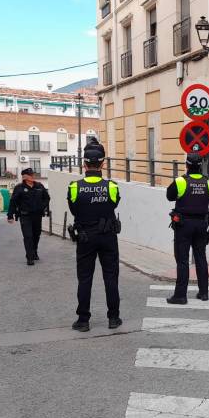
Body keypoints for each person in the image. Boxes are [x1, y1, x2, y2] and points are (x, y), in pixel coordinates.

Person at [67, 138, 122, 332]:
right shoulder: (112, 187)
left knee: (85, 279)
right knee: (111, 277)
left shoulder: (74, 187)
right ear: (103, 164)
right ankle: (113, 318)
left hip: (85, 236)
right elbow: (114, 205)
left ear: (84, 164)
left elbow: (74, 210)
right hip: (108, 236)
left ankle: (83, 320)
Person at [166, 152, 209, 304]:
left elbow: (169, 196)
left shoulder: (181, 181)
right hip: (202, 225)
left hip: (184, 225)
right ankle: (204, 292)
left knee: (183, 260)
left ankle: (180, 295)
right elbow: (207, 197)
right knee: (201, 258)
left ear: (186, 165)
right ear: (201, 166)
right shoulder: (207, 181)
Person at [7, 168, 50, 265]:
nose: (33, 176)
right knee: (28, 236)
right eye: (31, 175)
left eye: (33, 174)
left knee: (36, 235)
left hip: (37, 216)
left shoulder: (39, 186)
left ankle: (34, 252)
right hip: (25, 216)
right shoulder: (19, 188)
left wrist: (42, 207)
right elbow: (13, 202)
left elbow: (47, 198)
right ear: (25, 177)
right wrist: (10, 215)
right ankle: (29, 257)